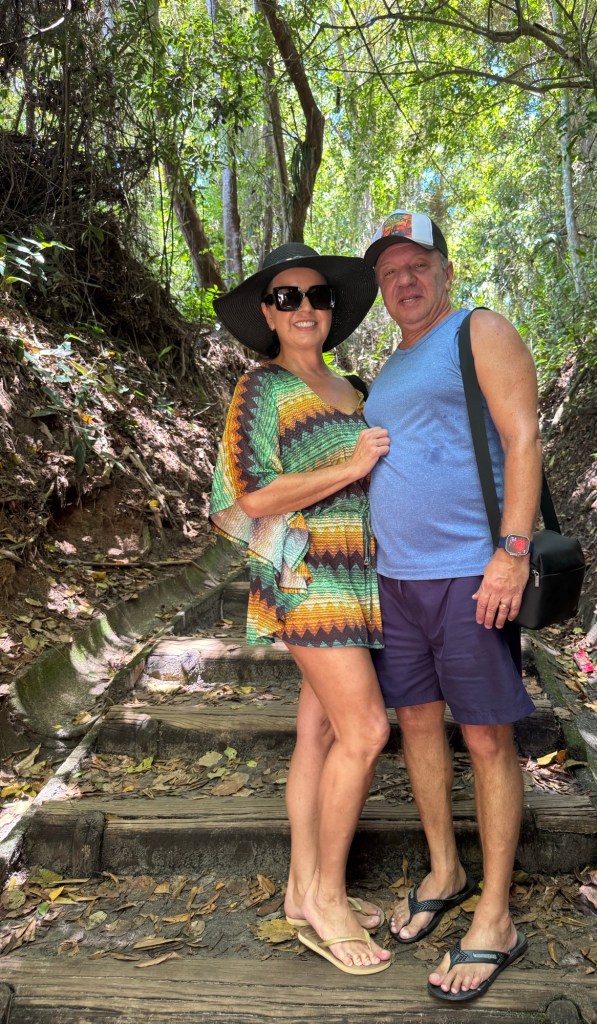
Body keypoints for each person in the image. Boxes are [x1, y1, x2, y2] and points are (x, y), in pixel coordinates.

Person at [362, 211, 541, 1001]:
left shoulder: (480, 330)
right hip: (395, 581)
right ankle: (445, 869)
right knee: (418, 724)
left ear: (445, 271)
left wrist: (511, 553)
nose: (404, 281)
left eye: (418, 265)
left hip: (471, 572)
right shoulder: (390, 365)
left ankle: (495, 915)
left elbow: (524, 439)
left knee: (488, 739)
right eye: (390, 271)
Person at [209, 243, 392, 976]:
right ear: (267, 313)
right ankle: (326, 898)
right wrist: (350, 464)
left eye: (317, 295)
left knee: (318, 733)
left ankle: (297, 889)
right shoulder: (262, 387)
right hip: (307, 576)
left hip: (362, 576)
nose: (305, 307)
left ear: (331, 308)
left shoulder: (355, 386)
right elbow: (253, 496)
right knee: (367, 730)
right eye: (287, 297)